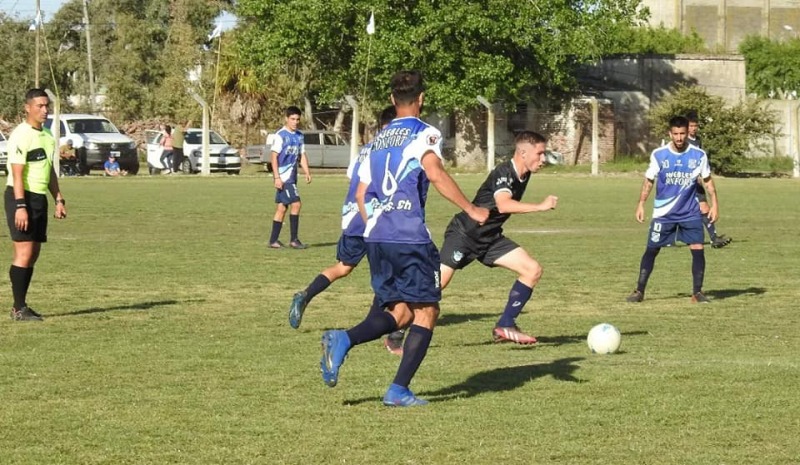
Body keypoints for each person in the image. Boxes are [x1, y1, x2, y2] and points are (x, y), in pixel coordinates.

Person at [319, 70, 489, 407]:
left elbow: (363, 193)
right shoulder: (423, 133)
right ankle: (397, 389)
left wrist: (374, 228)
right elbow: (435, 173)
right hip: (409, 237)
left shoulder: (376, 142)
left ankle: (343, 339)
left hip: (377, 237)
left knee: (400, 313)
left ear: (393, 100)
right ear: (421, 98)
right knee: (427, 311)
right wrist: (471, 209)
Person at [384, 131, 558, 351]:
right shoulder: (504, 172)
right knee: (433, 288)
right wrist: (539, 206)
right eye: (540, 154)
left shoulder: (524, 173)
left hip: (489, 238)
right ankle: (396, 332)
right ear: (522, 152)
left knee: (532, 270)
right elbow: (503, 204)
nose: (543, 159)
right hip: (465, 235)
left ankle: (505, 324)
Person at [288, 106, 397, 329]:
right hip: (373, 218)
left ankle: (306, 295)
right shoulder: (389, 150)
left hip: (351, 217)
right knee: (389, 272)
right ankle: (374, 324)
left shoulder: (365, 149)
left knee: (343, 267)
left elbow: (352, 179)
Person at [626, 115, 720, 304]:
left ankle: (697, 293)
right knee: (652, 250)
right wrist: (641, 204)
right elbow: (649, 181)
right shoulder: (659, 155)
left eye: (682, 134)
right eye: (675, 134)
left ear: (688, 132)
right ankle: (639, 291)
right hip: (664, 214)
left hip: (690, 212)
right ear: (670, 133)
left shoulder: (698, 155)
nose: (679, 138)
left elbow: (708, 181)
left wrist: (715, 204)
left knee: (698, 248)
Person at [5, 88, 67, 321]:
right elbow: (17, 173)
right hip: (21, 196)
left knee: (33, 254)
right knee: (24, 251)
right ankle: (18, 308)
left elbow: (49, 170)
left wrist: (58, 198)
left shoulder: (47, 135)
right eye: (39, 106)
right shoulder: (21, 135)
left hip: (39, 197)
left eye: (46, 106)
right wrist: (20, 205)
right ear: (27, 108)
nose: (45, 110)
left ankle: (20, 306)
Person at [685, 110, 731, 249]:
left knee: (704, 207)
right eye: (691, 126)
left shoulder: (698, 140)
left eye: (695, 126)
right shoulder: (682, 141)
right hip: (684, 181)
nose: (693, 128)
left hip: (697, 181)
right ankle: (666, 236)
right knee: (678, 209)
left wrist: (701, 174)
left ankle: (714, 238)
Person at [268, 106, 312, 249]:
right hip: (284, 178)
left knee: (282, 208)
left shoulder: (299, 136)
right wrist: (276, 178)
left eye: (297, 119)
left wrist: (307, 172)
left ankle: (273, 240)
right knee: (296, 204)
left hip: (292, 177)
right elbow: (274, 157)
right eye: (292, 119)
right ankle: (294, 239)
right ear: (286, 119)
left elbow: (302, 155)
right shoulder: (280, 135)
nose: (295, 122)